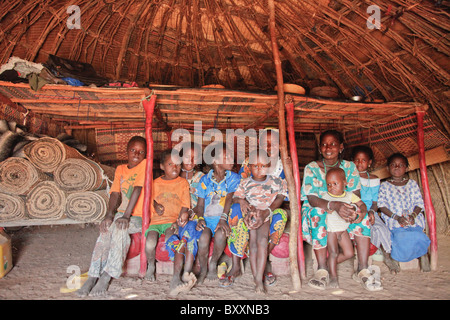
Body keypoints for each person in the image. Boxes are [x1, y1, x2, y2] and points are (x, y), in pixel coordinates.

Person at [301, 130, 377, 291]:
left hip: (344, 207)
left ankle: (362, 269)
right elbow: (312, 199)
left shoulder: (349, 167)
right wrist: (334, 206)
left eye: (333, 144)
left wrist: (358, 210)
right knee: (317, 213)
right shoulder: (312, 168)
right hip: (319, 210)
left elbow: (355, 195)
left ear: (341, 147)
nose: (328, 147)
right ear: (320, 148)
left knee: (361, 215)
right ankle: (322, 270)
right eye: (324, 144)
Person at [76, 136, 147, 297]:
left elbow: (137, 189)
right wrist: (109, 215)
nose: (137, 154)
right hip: (122, 213)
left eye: (141, 152)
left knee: (121, 230)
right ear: (126, 152)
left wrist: (127, 216)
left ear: (145, 155)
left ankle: (107, 276)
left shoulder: (144, 166)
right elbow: (115, 193)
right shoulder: (121, 169)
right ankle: (93, 274)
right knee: (106, 229)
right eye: (133, 150)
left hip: (138, 216)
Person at [228, 150, 287, 293]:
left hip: (266, 215)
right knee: (253, 245)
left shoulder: (276, 181)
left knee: (262, 243)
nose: (259, 169)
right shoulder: (245, 182)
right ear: (249, 167)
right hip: (251, 216)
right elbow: (236, 198)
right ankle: (257, 279)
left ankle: (259, 279)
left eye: (263, 165)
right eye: (255, 166)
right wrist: (242, 202)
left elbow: (281, 196)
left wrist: (266, 211)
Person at [144, 149, 193, 295]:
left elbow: (185, 205)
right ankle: (151, 265)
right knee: (150, 241)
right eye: (170, 164)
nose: (175, 167)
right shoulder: (155, 183)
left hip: (172, 220)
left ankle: (175, 274)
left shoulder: (183, 183)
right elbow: (149, 199)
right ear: (162, 166)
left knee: (172, 240)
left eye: (177, 164)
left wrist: (178, 221)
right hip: (156, 221)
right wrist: (155, 205)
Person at [195, 142, 241, 284]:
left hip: (224, 219)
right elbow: (200, 204)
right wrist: (200, 219)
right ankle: (203, 268)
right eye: (226, 156)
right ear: (215, 161)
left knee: (221, 234)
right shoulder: (204, 180)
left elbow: (229, 198)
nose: (231, 158)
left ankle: (213, 263)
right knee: (203, 239)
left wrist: (223, 219)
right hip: (207, 219)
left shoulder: (233, 178)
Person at [377, 153, 431, 272]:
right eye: (393, 165)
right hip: (394, 220)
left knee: (418, 236)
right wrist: (397, 218)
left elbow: (419, 203)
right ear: (388, 168)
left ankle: (423, 256)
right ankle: (397, 258)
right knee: (400, 236)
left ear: (407, 168)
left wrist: (413, 216)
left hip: (413, 219)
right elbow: (381, 205)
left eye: (401, 165)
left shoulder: (412, 184)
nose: (397, 167)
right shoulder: (384, 186)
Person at [351, 145, 399, 273]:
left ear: (370, 162)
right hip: (354, 212)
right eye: (356, 160)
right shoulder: (348, 178)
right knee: (365, 229)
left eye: (363, 160)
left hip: (370, 211)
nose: (359, 163)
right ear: (352, 161)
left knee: (382, 229)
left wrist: (372, 212)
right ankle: (364, 259)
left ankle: (388, 257)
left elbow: (375, 202)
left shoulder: (373, 180)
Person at [322, 167, 367, 288]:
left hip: (343, 231)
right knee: (333, 253)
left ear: (345, 183)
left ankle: (326, 265)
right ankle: (333, 277)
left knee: (349, 253)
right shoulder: (326, 197)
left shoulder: (349, 196)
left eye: (335, 183)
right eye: (329, 184)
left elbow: (362, 204)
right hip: (331, 231)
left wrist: (362, 212)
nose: (331, 187)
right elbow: (322, 208)